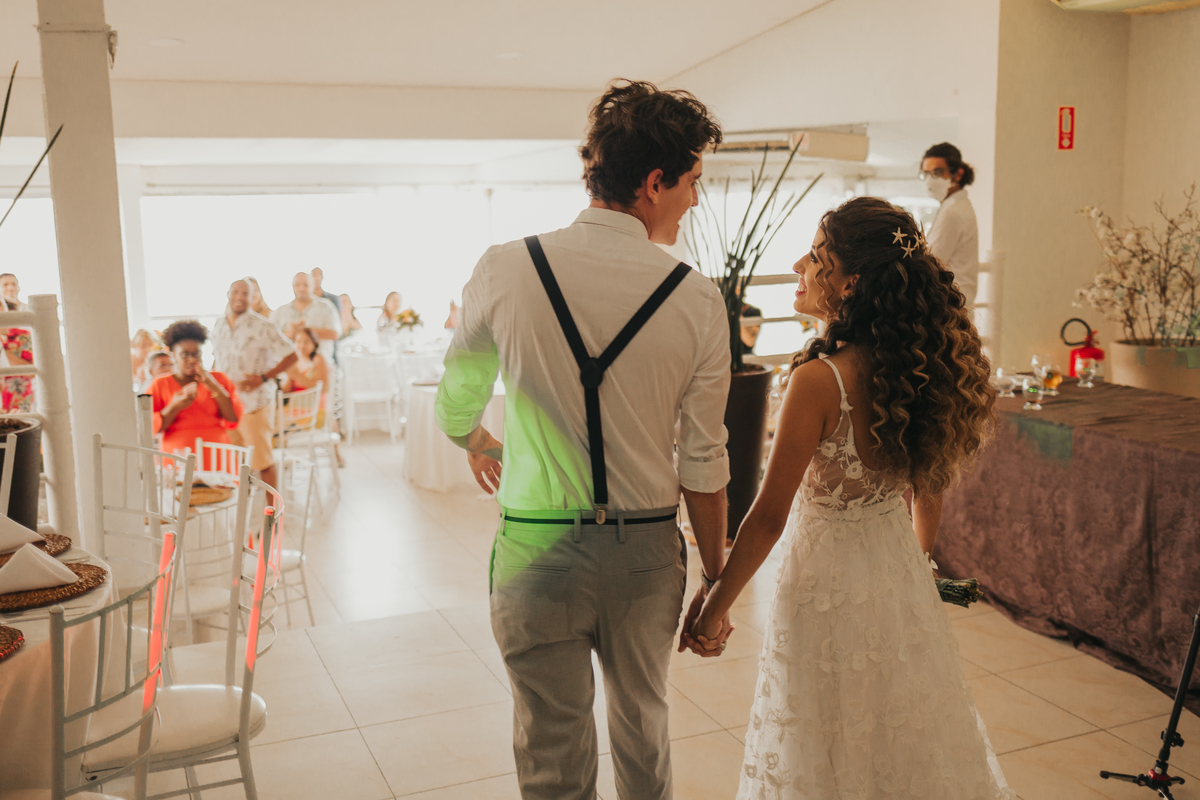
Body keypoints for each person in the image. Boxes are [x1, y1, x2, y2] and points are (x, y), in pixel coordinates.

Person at [435, 80, 731, 800]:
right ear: (654, 183)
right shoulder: (696, 298)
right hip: (645, 554)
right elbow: (702, 460)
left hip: (536, 550)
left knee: (550, 745)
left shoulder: (505, 267)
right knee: (644, 728)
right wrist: (717, 578)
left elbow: (456, 400)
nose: (695, 200)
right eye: (692, 181)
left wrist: (479, 440)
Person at [686, 197, 1010, 800]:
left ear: (850, 281)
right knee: (901, 733)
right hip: (897, 573)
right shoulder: (917, 368)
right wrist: (917, 569)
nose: (798, 266)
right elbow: (929, 490)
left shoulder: (819, 380)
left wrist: (713, 609)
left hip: (825, 587)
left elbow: (768, 519)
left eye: (816, 256)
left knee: (826, 738)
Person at [212, 279, 298, 489]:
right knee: (233, 462)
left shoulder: (264, 326)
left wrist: (263, 378)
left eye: (245, 294)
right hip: (227, 405)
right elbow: (218, 360)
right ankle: (241, 504)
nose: (239, 297)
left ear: (253, 298)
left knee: (262, 461)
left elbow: (291, 355)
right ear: (228, 293)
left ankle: (273, 507)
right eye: (236, 292)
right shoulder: (219, 324)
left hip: (255, 404)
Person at [148, 320, 242, 468]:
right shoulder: (160, 384)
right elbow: (151, 427)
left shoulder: (218, 379)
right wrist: (175, 406)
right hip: (177, 459)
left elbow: (233, 418)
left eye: (196, 354)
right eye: (185, 354)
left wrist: (211, 383)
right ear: (173, 355)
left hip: (217, 456)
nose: (192, 360)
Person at [921, 142, 981, 307]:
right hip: (954, 300)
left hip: (950, 303)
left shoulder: (953, 212)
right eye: (926, 174)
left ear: (958, 174)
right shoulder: (955, 206)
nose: (930, 180)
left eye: (937, 172)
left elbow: (931, 259)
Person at [282, 327, 343, 466]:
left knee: (278, 424)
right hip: (295, 407)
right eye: (298, 342)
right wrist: (289, 376)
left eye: (306, 342)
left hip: (314, 409)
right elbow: (285, 390)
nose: (302, 345)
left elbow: (321, 388)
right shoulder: (293, 360)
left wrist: (297, 376)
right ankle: (284, 461)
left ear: (314, 343)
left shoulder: (318, 359)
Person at [271, 272, 341, 363]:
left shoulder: (326, 307)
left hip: (320, 364)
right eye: (297, 285)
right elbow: (271, 338)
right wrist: (292, 333)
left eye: (305, 285)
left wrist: (307, 331)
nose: (301, 289)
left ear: (313, 286)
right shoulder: (280, 311)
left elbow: (335, 334)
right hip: (288, 365)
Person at [1, 273, 33, 414]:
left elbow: (32, 369)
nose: (10, 288)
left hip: (18, 391)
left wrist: (4, 355)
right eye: (5, 284)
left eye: (13, 284)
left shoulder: (23, 333)